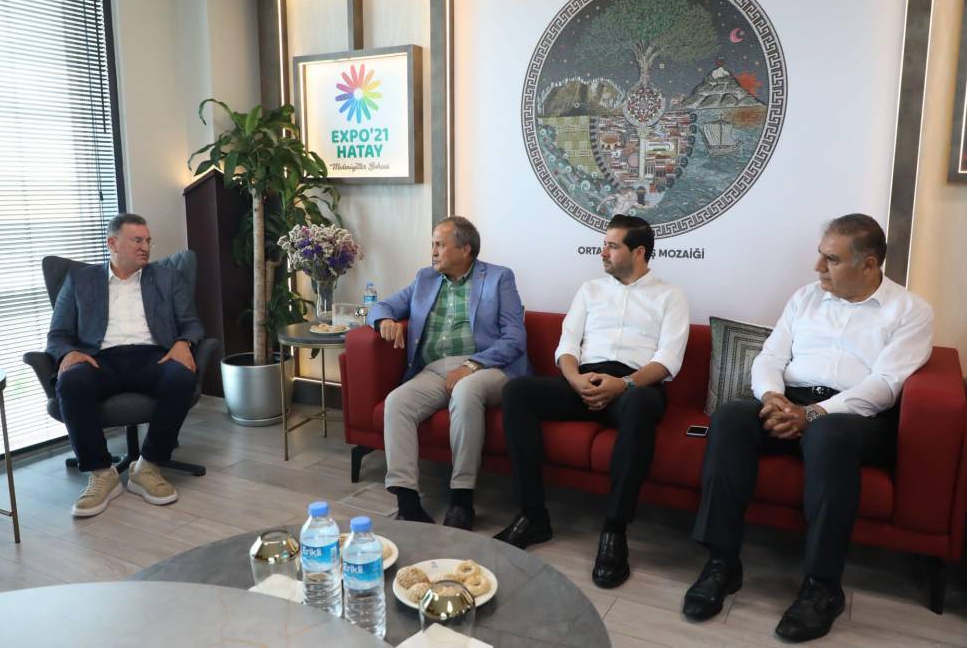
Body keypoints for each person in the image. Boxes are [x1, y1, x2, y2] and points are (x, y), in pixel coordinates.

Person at [683, 214, 934, 642]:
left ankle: (822, 587)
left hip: (856, 418)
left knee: (827, 434)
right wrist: (771, 397)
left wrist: (815, 414)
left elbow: (885, 385)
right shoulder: (805, 298)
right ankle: (722, 563)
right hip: (790, 400)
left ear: (868, 265)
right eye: (820, 256)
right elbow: (770, 357)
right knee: (730, 418)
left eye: (830, 259)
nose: (818, 267)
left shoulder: (911, 311)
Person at [494, 214, 690, 589]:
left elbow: (668, 360)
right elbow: (567, 345)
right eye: (604, 245)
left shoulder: (670, 296)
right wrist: (575, 380)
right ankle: (533, 516)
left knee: (642, 405)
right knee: (517, 392)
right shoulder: (590, 290)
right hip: (583, 380)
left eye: (612, 246)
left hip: (634, 386)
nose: (603, 252)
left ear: (639, 252)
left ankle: (615, 531)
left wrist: (624, 384)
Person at [367, 216, 528, 530]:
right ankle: (408, 503)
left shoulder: (499, 278)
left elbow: (514, 338)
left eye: (440, 245)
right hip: (435, 370)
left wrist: (471, 366)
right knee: (397, 402)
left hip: (489, 366)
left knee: (466, 391)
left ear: (465, 249)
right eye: (433, 245)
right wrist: (384, 320)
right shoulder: (425, 278)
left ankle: (462, 499)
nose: (433, 252)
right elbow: (381, 305)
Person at [48, 213, 203, 518]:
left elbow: (192, 323)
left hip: (153, 356)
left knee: (182, 377)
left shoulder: (167, 277)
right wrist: (67, 353)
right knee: (70, 381)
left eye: (148, 241)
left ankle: (148, 467)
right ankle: (101, 474)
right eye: (137, 240)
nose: (145, 247)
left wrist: (184, 343)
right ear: (113, 243)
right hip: (100, 359)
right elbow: (58, 334)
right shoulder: (80, 280)